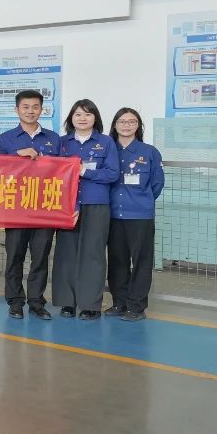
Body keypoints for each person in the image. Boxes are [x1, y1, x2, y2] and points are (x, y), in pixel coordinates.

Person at [0, 90, 63, 320]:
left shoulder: (54, 139)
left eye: (35, 107)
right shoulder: (5, 139)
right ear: (17, 110)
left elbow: (63, 172)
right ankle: (15, 301)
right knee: (14, 256)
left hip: (45, 208)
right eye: (25, 107)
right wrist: (16, 156)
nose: (30, 111)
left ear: (42, 109)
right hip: (15, 207)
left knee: (40, 256)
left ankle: (36, 301)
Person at [53, 99, 120, 320]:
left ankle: (90, 304)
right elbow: (51, 172)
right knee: (66, 254)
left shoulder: (106, 142)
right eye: (78, 114)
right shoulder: (62, 143)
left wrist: (85, 172)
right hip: (67, 206)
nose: (83, 118)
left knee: (93, 254)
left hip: (96, 205)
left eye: (88, 114)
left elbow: (112, 173)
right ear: (71, 118)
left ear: (95, 118)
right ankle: (67, 302)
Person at [107, 107, 164, 322]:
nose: (126, 125)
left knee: (141, 261)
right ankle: (119, 302)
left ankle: (136, 306)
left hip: (140, 215)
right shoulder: (109, 149)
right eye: (122, 121)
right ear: (115, 125)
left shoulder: (149, 152)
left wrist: (142, 200)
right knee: (117, 260)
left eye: (132, 121)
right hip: (113, 214)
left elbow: (157, 184)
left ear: (138, 125)